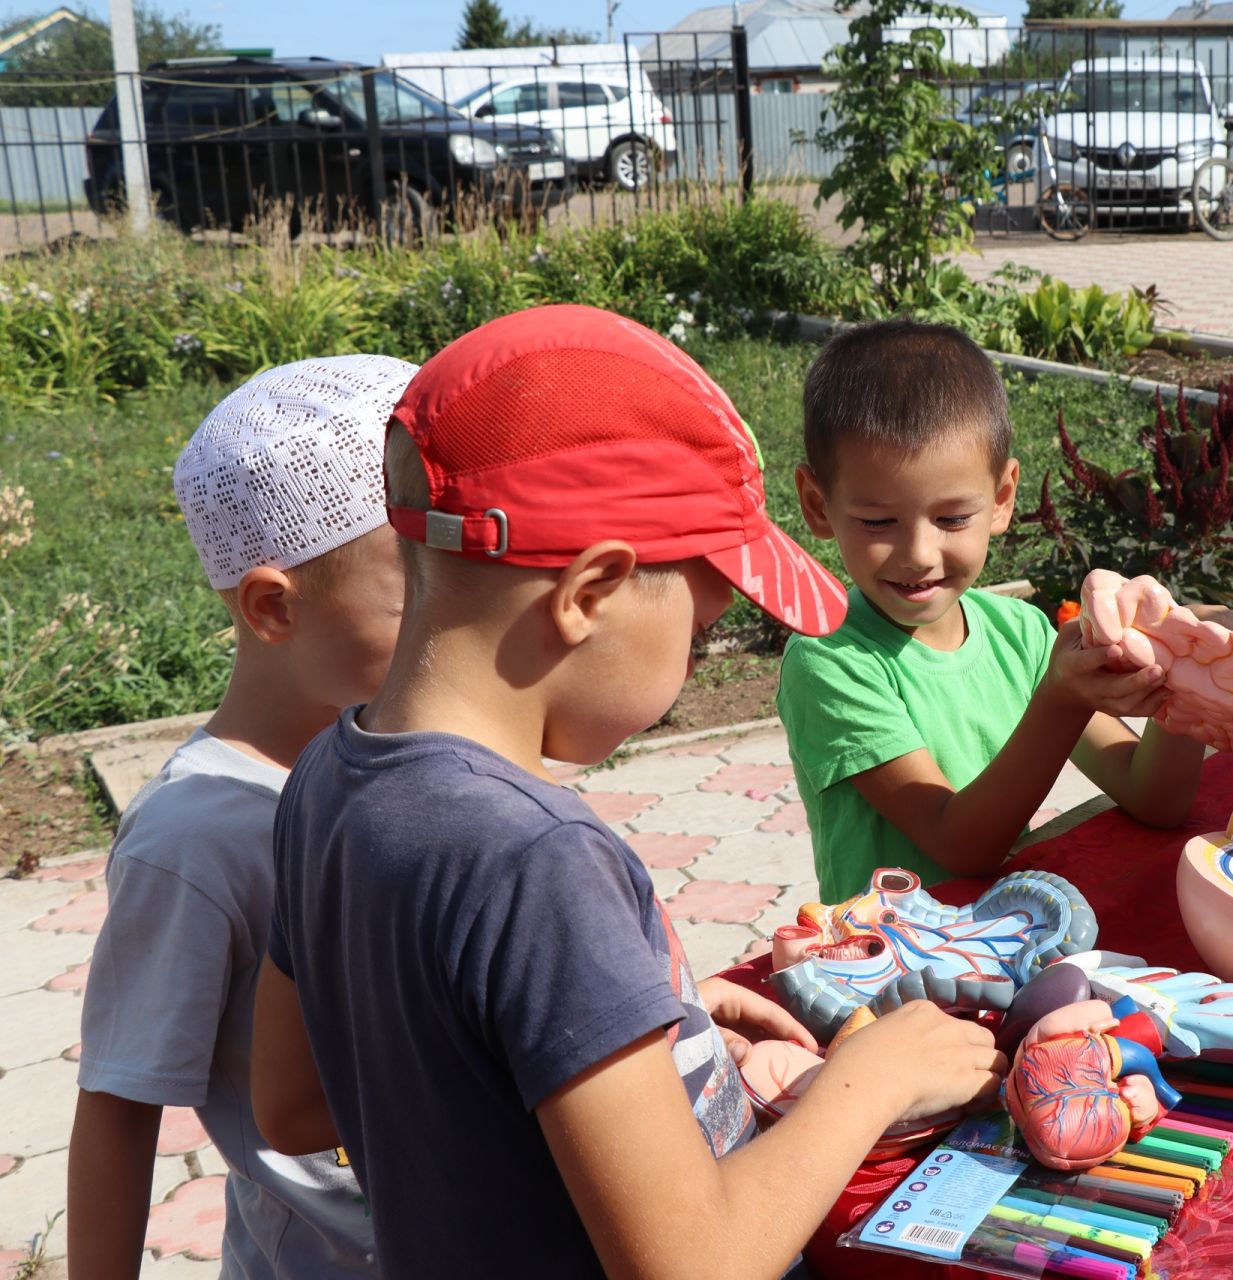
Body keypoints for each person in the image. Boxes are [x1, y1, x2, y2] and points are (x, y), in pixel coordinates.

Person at [250, 305, 1004, 1279]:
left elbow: (294, 1100)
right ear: (591, 593)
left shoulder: (325, 778)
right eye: (701, 621)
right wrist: (867, 1080)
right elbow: (692, 1262)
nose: (695, 655)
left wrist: (647, 1054)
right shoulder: (538, 859)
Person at [68, 355, 417, 1279]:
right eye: (420, 593)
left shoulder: (407, 746)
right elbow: (119, 1097)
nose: (461, 621)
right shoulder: (198, 839)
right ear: (274, 607)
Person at [778, 318, 1226, 904]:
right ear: (817, 505)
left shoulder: (1019, 633)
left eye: (952, 518)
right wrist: (1062, 698)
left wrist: (1183, 673)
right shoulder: (830, 660)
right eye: (877, 522)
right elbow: (958, 844)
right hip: (892, 972)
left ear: (1002, 499)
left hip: (1011, 942)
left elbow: (1155, 799)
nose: (918, 554)